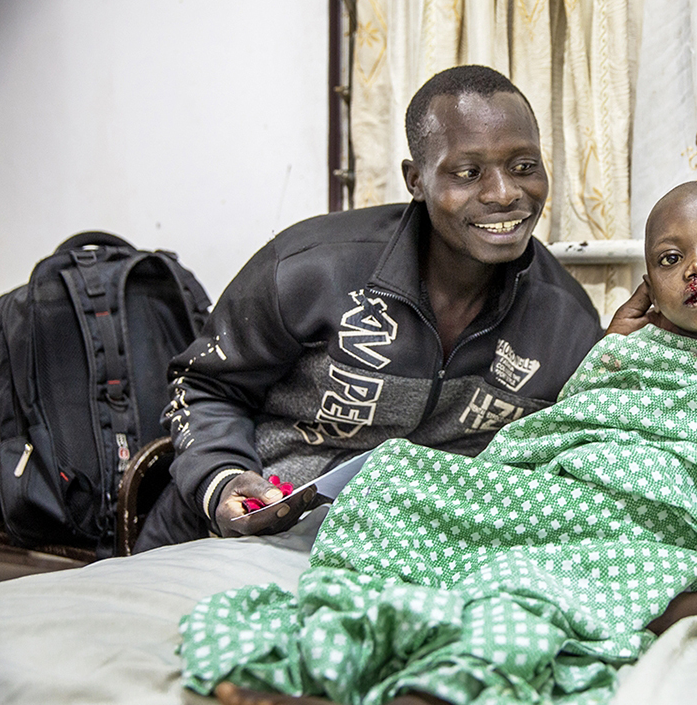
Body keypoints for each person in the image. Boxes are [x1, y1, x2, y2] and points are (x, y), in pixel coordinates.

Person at [180, 181, 697, 705]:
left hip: (651, 541)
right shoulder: (627, 356)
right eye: (669, 258)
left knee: (528, 590)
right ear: (649, 284)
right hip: (562, 506)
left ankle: (428, 680)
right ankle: (348, 652)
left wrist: (681, 604)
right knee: (394, 477)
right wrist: (611, 351)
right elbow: (562, 433)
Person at [134, 65, 604, 551]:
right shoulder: (309, 270)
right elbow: (203, 386)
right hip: (237, 536)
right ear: (416, 180)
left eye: (524, 166)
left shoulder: (566, 323)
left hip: (399, 557)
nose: (504, 194)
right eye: (468, 173)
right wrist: (224, 480)